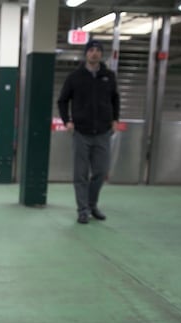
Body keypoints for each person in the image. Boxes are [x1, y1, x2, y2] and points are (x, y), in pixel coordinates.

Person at [57, 39, 120, 224]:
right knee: (81, 174)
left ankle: (92, 204)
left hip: (103, 132)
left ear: (102, 54)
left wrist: (115, 119)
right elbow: (62, 101)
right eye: (91, 50)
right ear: (86, 53)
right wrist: (67, 121)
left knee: (101, 171)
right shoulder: (75, 77)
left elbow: (115, 99)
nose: (94, 53)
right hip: (81, 133)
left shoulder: (109, 76)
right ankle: (83, 209)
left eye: (98, 50)